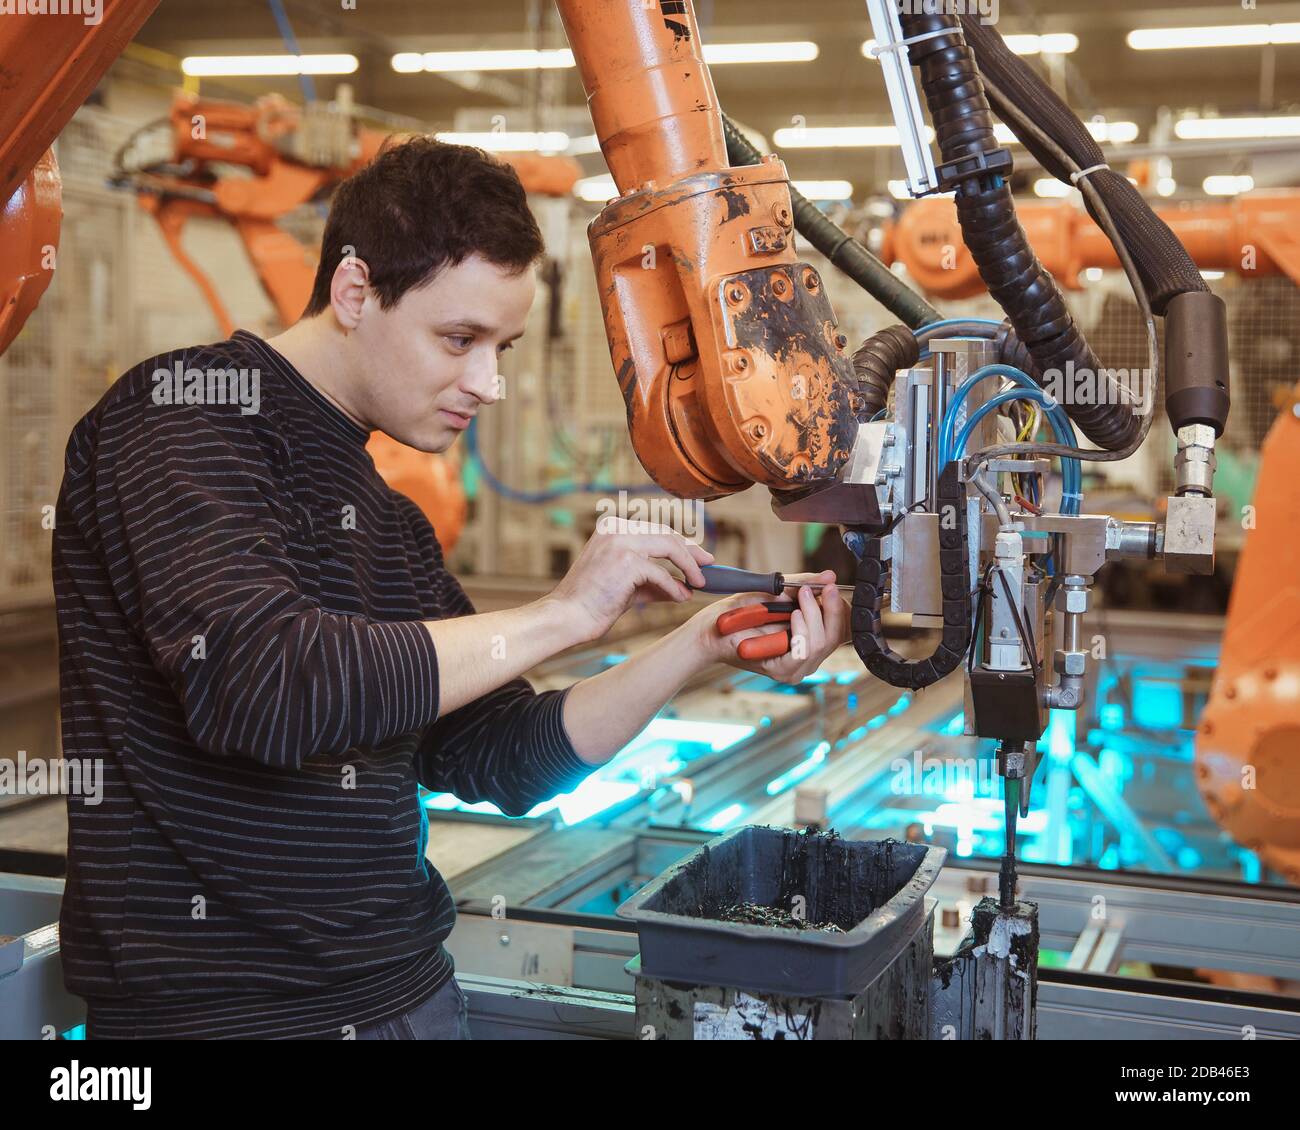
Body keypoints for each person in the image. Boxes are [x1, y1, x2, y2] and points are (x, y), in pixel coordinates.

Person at [52, 136, 848, 1040]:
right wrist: (563, 614)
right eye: (459, 339)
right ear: (354, 291)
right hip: (231, 1020)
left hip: (411, 996)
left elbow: (499, 755)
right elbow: (264, 687)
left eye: (500, 345)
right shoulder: (179, 421)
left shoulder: (386, 520)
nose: (489, 383)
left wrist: (700, 642)